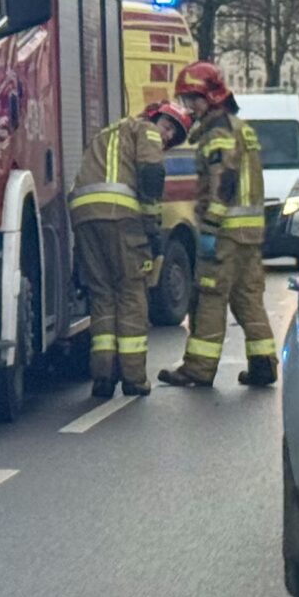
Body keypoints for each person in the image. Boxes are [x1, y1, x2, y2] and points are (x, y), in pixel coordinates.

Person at [160, 60, 278, 389]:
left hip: (225, 231)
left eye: (191, 99)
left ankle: (198, 368)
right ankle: (263, 364)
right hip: (250, 232)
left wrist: (210, 228)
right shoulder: (242, 127)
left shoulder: (218, 133)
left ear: (209, 97)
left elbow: (221, 180)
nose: (188, 107)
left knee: (210, 296)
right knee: (248, 297)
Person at [70, 101, 189, 398]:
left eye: (172, 136)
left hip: (84, 218)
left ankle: (103, 376)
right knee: (132, 293)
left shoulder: (106, 133)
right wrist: (151, 226)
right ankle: (134, 378)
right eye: (168, 126)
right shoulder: (145, 130)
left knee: (103, 295)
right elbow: (150, 175)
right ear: (154, 117)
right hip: (120, 217)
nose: (166, 136)